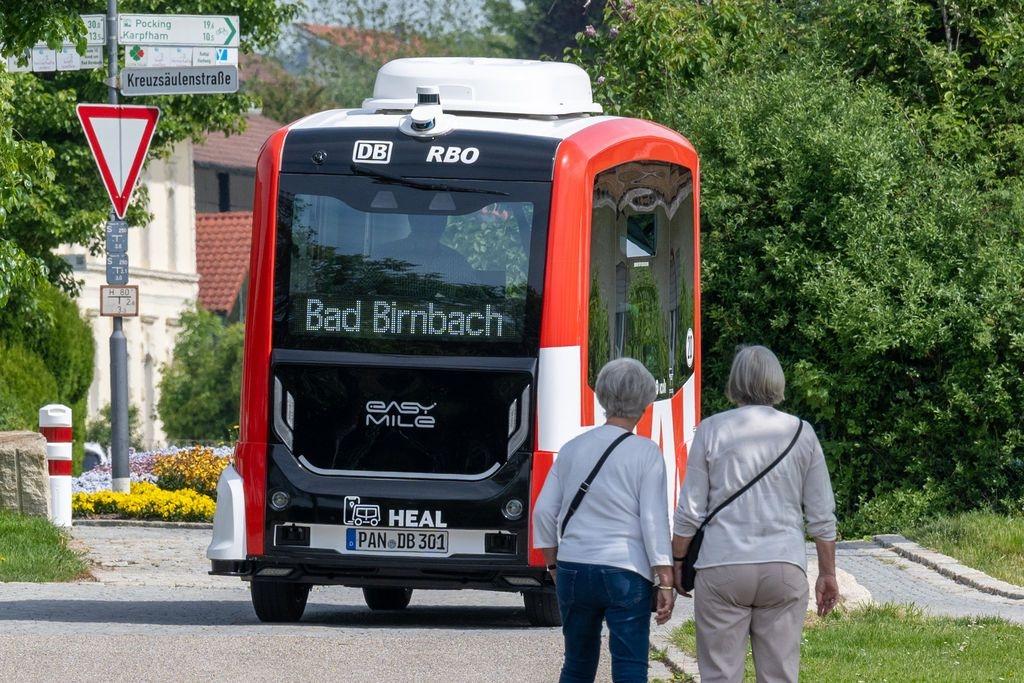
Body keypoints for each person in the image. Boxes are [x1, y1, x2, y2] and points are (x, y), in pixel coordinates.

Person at [672, 345, 839, 683]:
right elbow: (821, 515)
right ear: (776, 381)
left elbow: (690, 510)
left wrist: (676, 562)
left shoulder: (711, 430)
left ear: (735, 382)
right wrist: (827, 573)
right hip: (784, 566)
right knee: (779, 675)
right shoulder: (800, 432)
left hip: (722, 566)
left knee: (720, 674)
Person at [533, 357, 675, 683]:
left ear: (601, 397)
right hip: (626, 572)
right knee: (630, 666)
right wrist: (665, 580)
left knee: (577, 665)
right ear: (645, 401)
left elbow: (543, 513)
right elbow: (653, 523)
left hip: (573, 567)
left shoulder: (571, 449)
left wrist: (554, 566)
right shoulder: (646, 453)